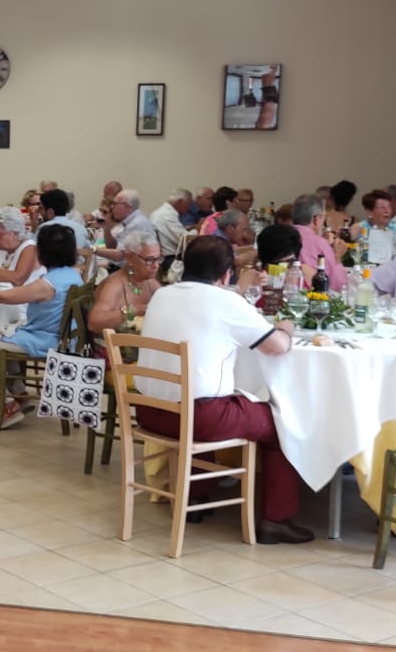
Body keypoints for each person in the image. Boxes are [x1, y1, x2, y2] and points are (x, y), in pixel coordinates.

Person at [135, 235, 311, 544]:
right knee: (284, 423)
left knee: (211, 393)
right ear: (226, 273)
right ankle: (276, 518)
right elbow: (277, 347)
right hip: (197, 416)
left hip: (150, 410)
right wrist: (286, 327)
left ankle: (197, 498)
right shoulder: (227, 302)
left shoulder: (162, 295)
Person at [0, 225, 82, 428]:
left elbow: (5, 296)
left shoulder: (47, 284)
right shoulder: (73, 275)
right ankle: (19, 391)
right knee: (8, 331)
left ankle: (8, 404)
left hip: (44, 339)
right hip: (64, 337)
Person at [87, 228, 160, 334]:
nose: (156, 266)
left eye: (158, 259)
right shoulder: (114, 285)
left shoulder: (151, 283)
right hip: (112, 347)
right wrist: (135, 310)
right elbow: (94, 323)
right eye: (149, 260)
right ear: (129, 257)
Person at [289, 194, 348, 292]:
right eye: (324, 218)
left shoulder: (281, 236)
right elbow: (339, 286)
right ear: (316, 219)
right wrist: (337, 257)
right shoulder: (319, 244)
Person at [96, 189, 155, 266]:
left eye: (115, 204)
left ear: (126, 206)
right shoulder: (129, 222)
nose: (112, 207)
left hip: (132, 271)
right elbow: (113, 247)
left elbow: (120, 256)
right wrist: (106, 229)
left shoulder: (137, 224)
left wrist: (93, 249)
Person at [36, 189, 90, 259]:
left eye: (41, 208)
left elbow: (33, 251)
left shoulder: (45, 228)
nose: (40, 212)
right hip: (78, 268)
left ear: (50, 212)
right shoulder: (81, 228)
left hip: (51, 267)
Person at [148, 189, 191, 260]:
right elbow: (184, 240)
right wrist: (198, 229)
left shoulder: (160, 212)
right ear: (180, 201)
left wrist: (186, 229)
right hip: (170, 259)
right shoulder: (167, 215)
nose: (189, 208)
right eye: (188, 204)